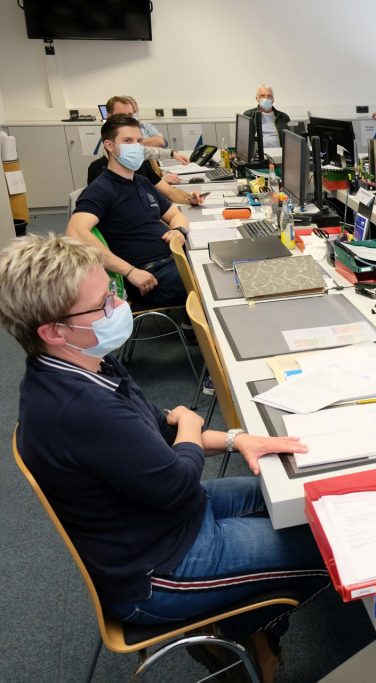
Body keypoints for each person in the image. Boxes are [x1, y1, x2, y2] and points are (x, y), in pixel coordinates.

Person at [1, 234, 335, 681]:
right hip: (159, 570)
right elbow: (177, 480)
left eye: (113, 292)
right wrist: (193, 426)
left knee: (312, 496)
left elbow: (159, 425)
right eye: (102, 305)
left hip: (165, 520)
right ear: (53, 330)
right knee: (333, 547)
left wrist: (238, 441)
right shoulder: (78, 409)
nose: (118, 308)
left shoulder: (84, 364)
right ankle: (246, 634)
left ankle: (239, 620)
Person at [66, 114, 191, 307]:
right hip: (148, 275)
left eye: (138, 141)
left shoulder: (141, 181)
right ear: (109, 145)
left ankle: (191, 321)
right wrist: (130, 272)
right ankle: (195, 326)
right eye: (127, 141)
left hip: (173, 259)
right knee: (205, 281)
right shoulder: (101, 189)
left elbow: (175, 214)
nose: (135, 146)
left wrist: (178, 230)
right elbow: (75, 233)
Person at [243, 85, 290, 150]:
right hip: (257, 156)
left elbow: (291, 141)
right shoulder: (249, 115)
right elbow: (242, 139)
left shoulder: (283, 117)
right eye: (262, 96)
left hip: (280, 154)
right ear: (257, 98)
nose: (266, 98)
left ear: (273, 99)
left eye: (269, 96)